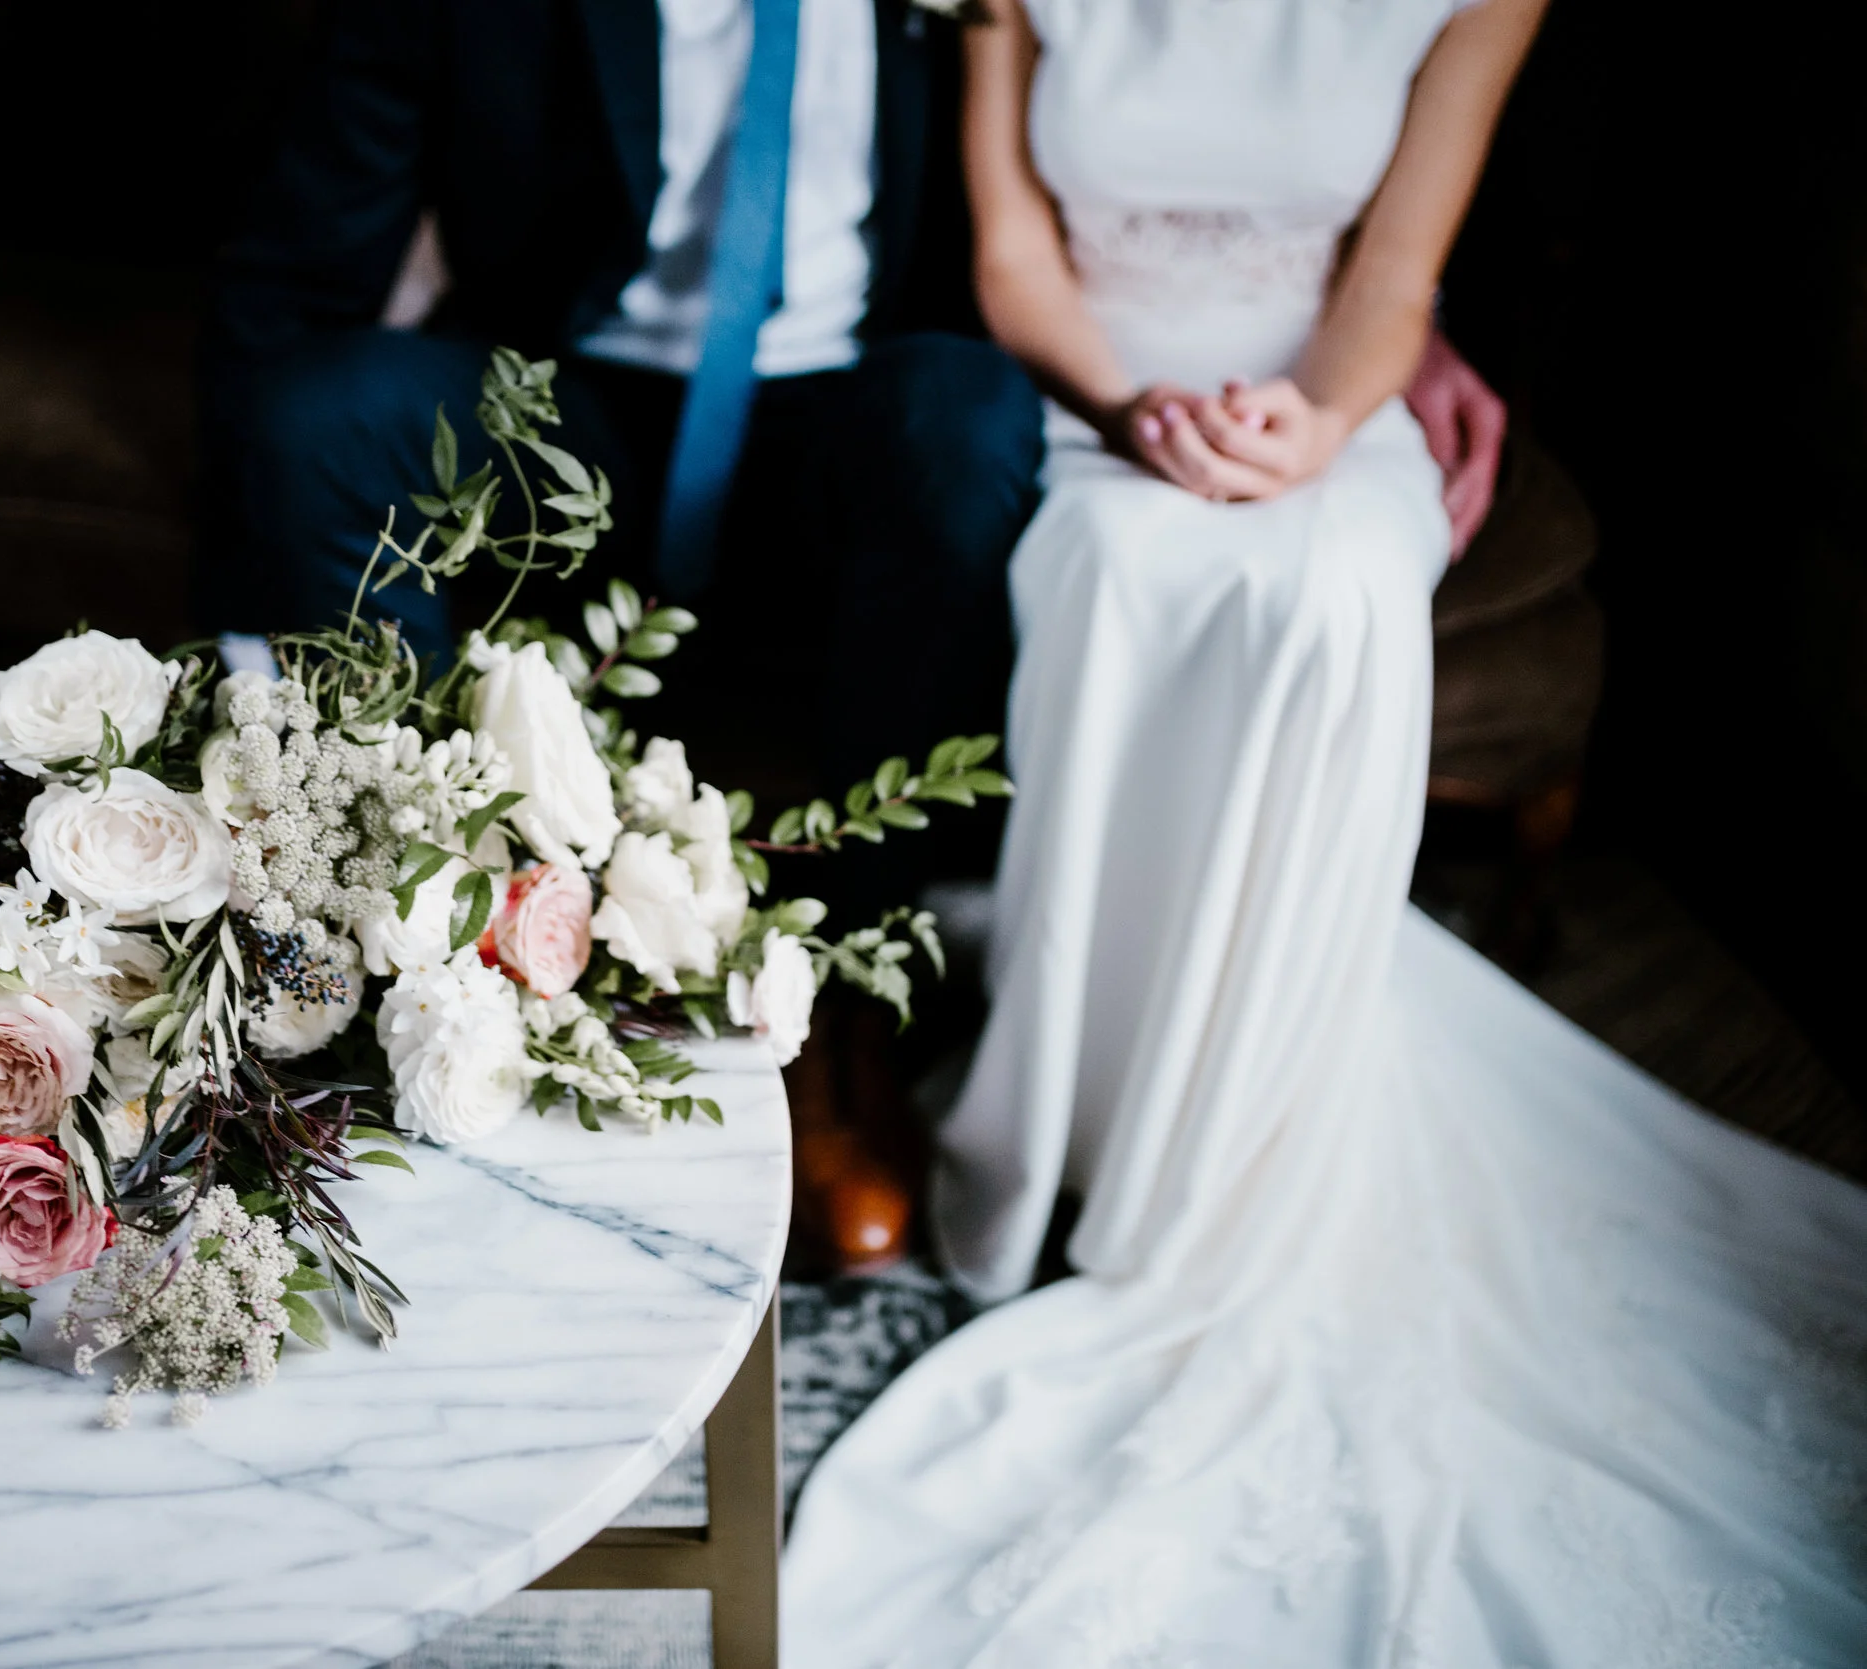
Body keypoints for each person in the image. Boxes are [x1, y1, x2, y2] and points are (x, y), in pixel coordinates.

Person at [781, 0, 1867, 1663]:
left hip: (1328, 409)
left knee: (1336, 595)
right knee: (1121, 576)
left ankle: (1229, 1135)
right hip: (1094, 390)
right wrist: (1140, 408)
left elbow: (1392, 281)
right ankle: (1088, 1092)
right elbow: (1013, 254)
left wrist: (1315, 419)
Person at [206, 0, 1505, 1276]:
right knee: (319, 416)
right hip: (572, 401)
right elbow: (299, 268)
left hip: (848, 416)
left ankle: (848, 1017)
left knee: (963, 416)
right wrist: (254, 513)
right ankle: (410, 951)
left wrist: (1402, 332)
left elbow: (1160, 172)